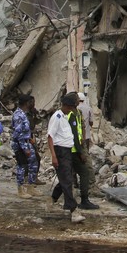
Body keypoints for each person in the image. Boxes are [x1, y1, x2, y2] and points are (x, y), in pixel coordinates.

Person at [51, 93, 99, 210]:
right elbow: (56, 136)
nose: (79, 101)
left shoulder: (76, 113)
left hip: (73, 148)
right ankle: (80, 201)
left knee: (67, 177)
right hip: (71, 150)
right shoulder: (67, 115)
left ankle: (55, 198)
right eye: (77, 100)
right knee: (80, 173)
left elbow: (79, 130)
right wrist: (80, 152)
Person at [48, 93, 86, 223]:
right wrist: (53, 156)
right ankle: (73, 210)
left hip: (67, 151)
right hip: (61, 151)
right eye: (71, 107)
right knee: (67, 181)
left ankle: (52, 199)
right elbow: (50, 137)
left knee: (66, 177)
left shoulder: (64, 117)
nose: (72, 109)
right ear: (66, 105)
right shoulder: (57, 117)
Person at [11, 94, 40, 197]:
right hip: (20, 145)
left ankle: (31, 187)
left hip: (27, 142)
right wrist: (25, 148)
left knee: (33, 163)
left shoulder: (25, 114)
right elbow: (19, 134)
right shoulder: (18, 115)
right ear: (27, 103)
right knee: (22, 166)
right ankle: (20, 189)